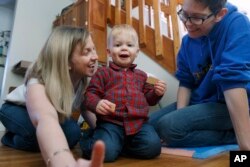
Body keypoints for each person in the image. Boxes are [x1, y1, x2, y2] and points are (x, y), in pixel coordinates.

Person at [149, 0, 250, 150]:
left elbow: (232, 81)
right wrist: (181, 116)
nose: (187, 24)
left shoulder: (237, 23)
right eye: (184, 14)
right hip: (199, 102)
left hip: (228, 104)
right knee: (147, 125)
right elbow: (186, 82)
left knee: (168, 127)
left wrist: (245, 148)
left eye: (196, 17)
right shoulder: (187, 41)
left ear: (219, 15)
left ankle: (233, 135)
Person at [0, 26, 105, 167]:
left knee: (74, 133)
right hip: (15, 109)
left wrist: (105, 132)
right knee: (35, 134)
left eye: (94, 49)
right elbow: (46, 119)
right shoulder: (38, 80)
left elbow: (86, 108)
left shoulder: (83, 80)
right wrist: (63, 160)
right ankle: (9, 138)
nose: (96, 57)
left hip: (49, 115)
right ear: (67, 61)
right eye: (87, 52)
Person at [80, 24, 167, 162]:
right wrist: (97, 103)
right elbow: (90, 95)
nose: (124, 48)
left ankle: (118, 146)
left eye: (130, 45)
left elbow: (149, 100)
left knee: (153, 147)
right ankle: (87, 140)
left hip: (138, 124)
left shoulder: (142, 76)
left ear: (137, 52)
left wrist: (156, 93)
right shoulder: (103, 73)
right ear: (109, 51)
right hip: (110, 123)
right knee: (105, 154)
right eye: (118, 45)